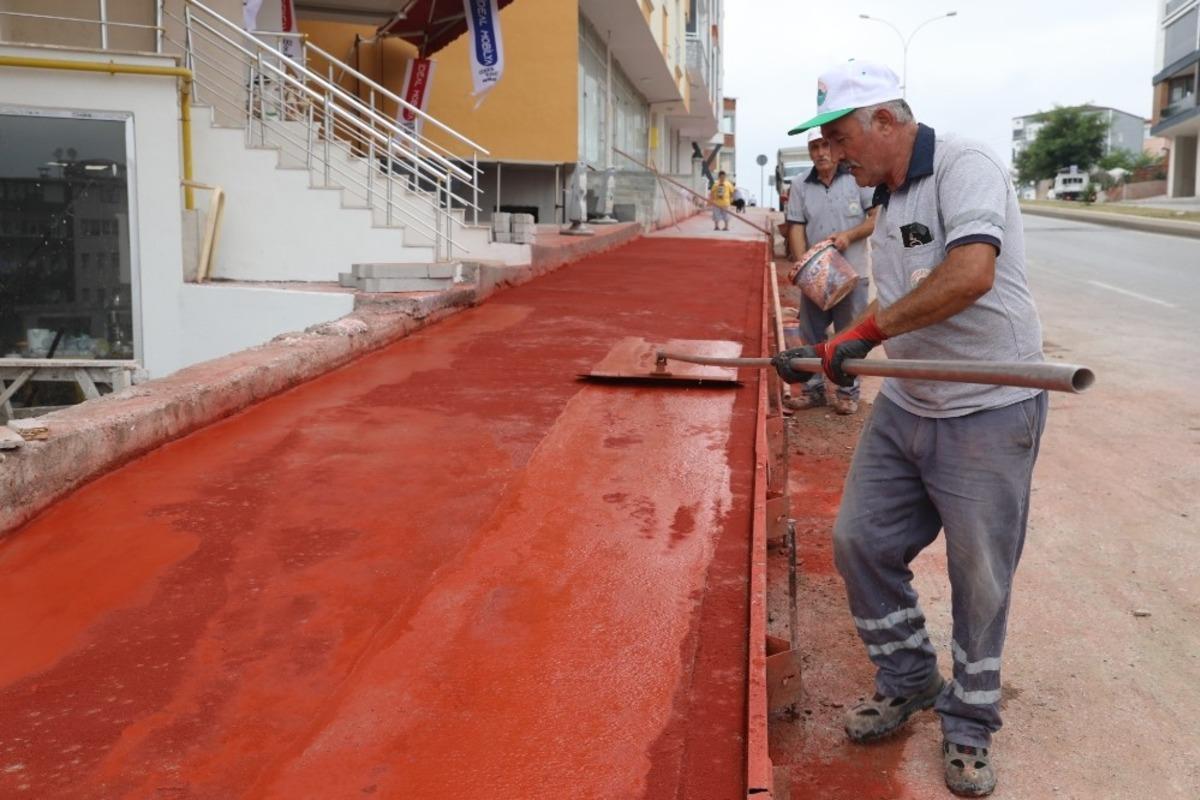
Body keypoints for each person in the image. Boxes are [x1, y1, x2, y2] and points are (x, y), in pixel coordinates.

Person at [773, 60, 1048, 798]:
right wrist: (819, 352)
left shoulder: (966, 163)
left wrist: (860, 332)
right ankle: (911, 678)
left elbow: (969, 275)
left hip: (991, 402)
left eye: (840, 137)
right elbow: (872, 300)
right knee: (861, 540)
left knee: (979, 576)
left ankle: (969, 726)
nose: (833, 154)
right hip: (911, 399)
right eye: (825, 142)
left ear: (888, 122)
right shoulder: (885, 195)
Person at [784, 127, 878, 415]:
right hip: (817, 277)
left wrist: (849, 235)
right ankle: (813, 391)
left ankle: (847, 393)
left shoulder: (857, 179)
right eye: (814, 148)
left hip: (853, 274)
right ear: (809, 152)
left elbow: (875, 219)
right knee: (812, 334)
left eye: (826, 146)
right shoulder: (800, 185)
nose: (821, 153)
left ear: (836, 149)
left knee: (849, 335)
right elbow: (796, 227)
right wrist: (804, 269)